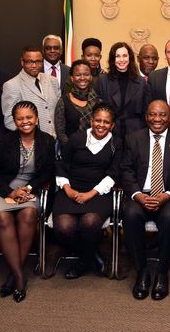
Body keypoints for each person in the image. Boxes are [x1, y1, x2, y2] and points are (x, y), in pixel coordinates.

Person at [0, 101, 55, 302]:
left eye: (29, 117)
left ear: (36, 119)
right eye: (20, 118)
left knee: (29, 214)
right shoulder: (4, 141)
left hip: (28, 190)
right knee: (2, 218)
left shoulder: (47, 140)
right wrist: (9, 192)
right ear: (14, 121)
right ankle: (20, 276)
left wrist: (28, 189)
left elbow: (47, 171)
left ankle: (13, 274)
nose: (25, 122)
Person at [120, 100, 170, 301]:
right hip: (140, 194)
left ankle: (162, 273)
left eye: (162, 115)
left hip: (168, 195)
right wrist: (138, 194)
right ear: (146, 117)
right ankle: (142, 271)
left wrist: (167, 195)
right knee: (130, 214)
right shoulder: (133, 139)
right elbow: (126, 171)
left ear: (169, 117)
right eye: (152, 114)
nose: (157, 119)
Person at [54, 103, 122, 279]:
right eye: (98, 120)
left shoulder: (117, 143)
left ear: (112, 125)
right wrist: (68, 189)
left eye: (106, 122)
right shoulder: (76, 139)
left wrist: (91, 194)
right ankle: (92, 255)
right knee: (63, 227)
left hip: (99, 192)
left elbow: (113, 174)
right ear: (91, 121)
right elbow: (62, 165)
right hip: (71, 189)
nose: (101, 125)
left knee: (89, 222)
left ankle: (82, 263)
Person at [95, 42, 150, 137]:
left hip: (135, 133)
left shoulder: (141, 82)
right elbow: (97, 110)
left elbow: (145, 111)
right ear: (113, 59)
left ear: (130, 58)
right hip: (109, 133)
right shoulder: (103, 81)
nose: (121, 60)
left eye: (124, 56)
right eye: (117, 56)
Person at [2, 46, 60, 136]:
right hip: (31, 143)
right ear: (22, 62)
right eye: (30, 62)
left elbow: (59, 112)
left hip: (56, 141)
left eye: (38, 61)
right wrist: (30, 137)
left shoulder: (52, 81)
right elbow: (9, 120)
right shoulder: (11, 85)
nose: (34, 66)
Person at [54, 59, 101, 145]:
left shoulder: (98, 101)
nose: (82, 78)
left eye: (86, 74)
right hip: (71, 151)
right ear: (72, 78)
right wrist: (72, 149)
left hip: (96, 149)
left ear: (91, 77)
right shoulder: (63, 101)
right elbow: (60, 133)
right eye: (78, 75)